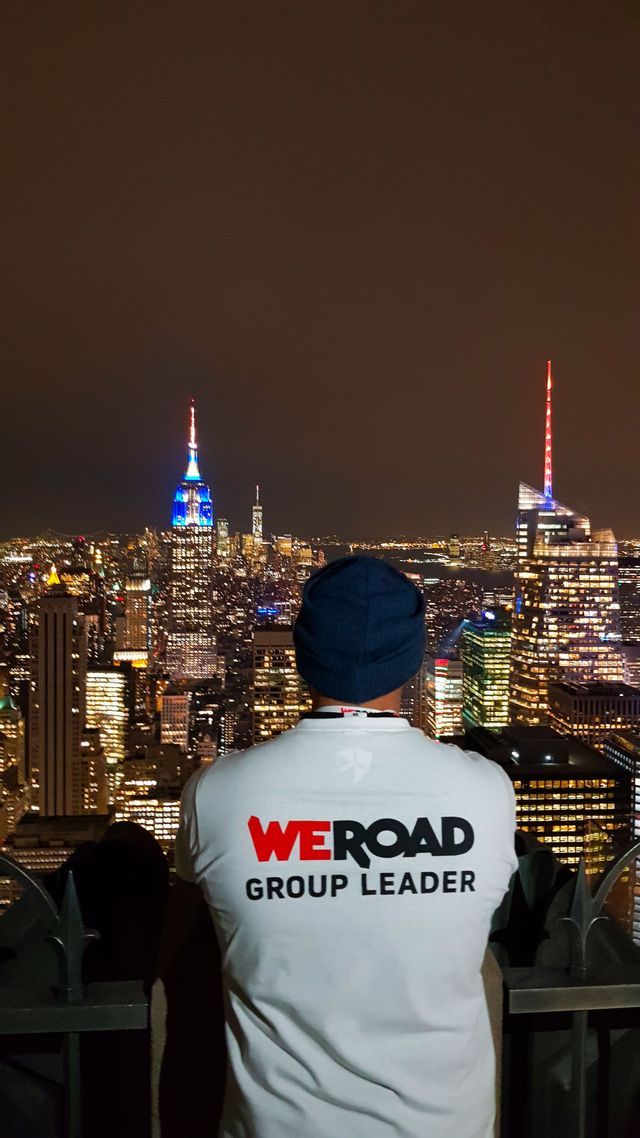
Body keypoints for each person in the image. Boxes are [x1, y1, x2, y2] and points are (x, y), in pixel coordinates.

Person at [173, 555, 517, 1138]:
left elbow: (186, 921)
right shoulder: (485, 791)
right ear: (411, 660)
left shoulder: (219, 793)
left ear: (304, 655)